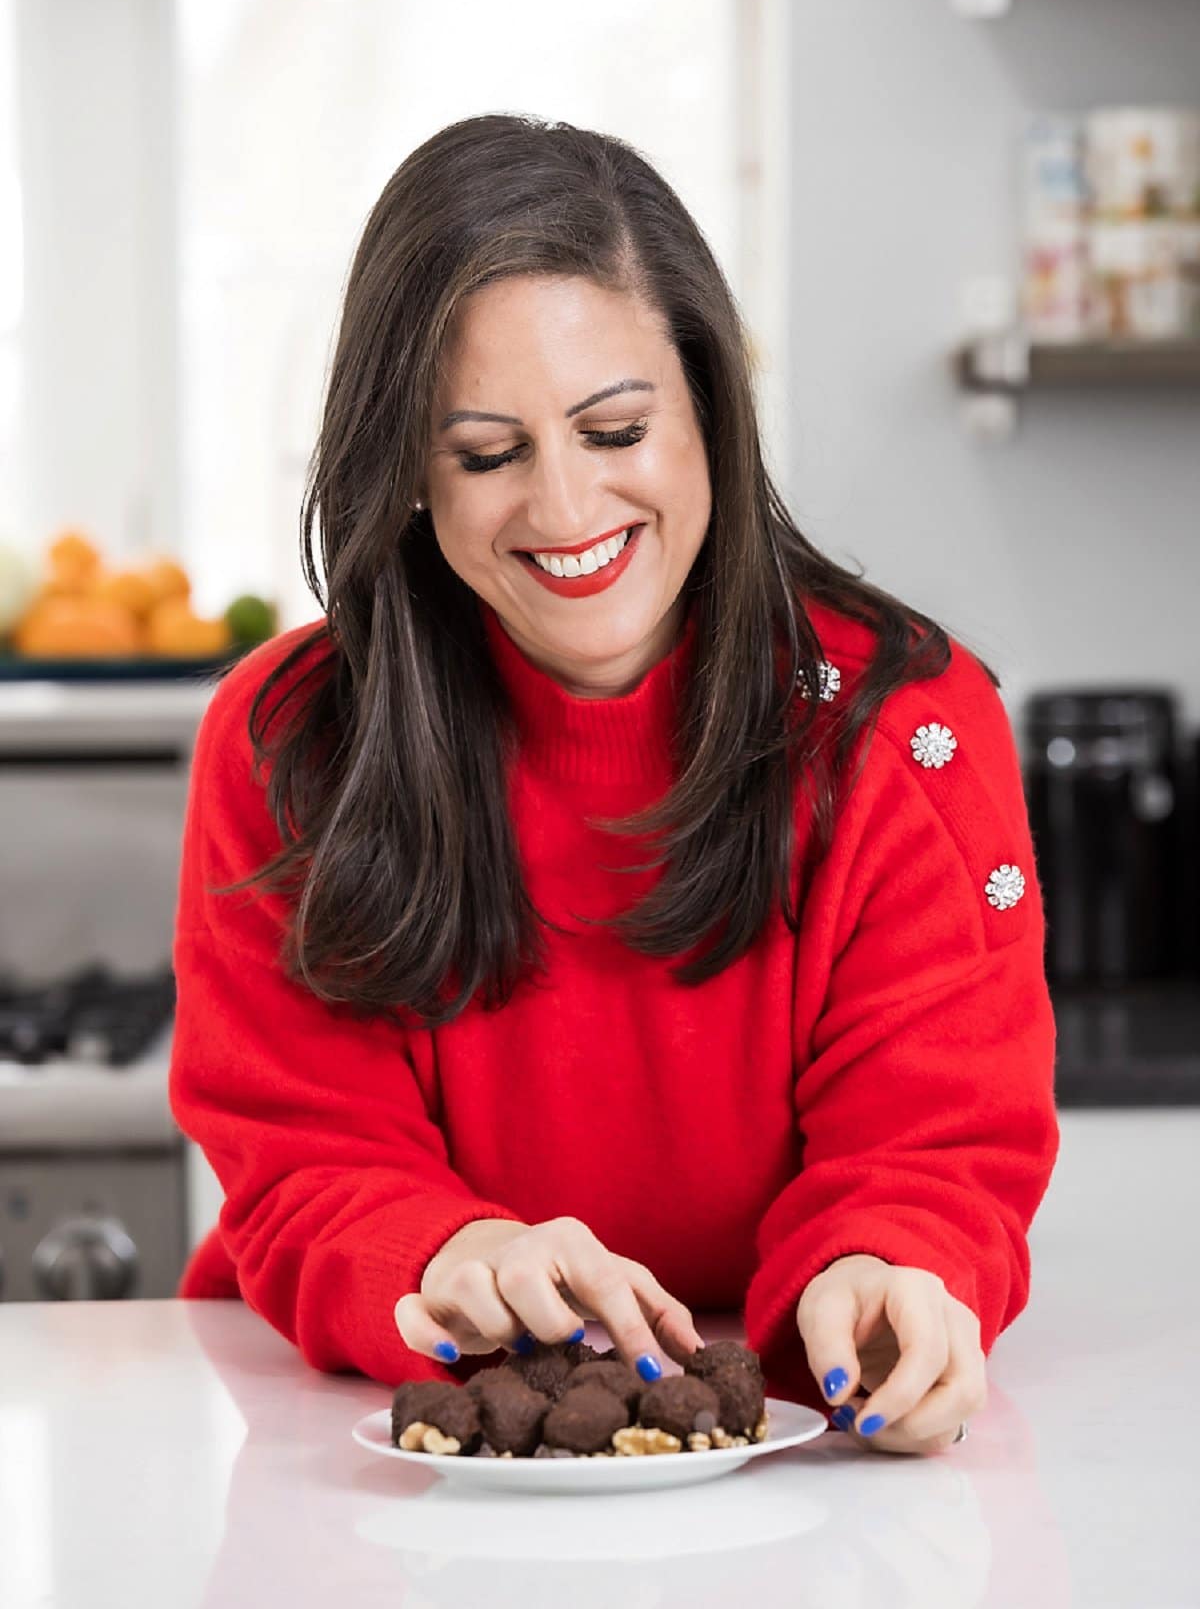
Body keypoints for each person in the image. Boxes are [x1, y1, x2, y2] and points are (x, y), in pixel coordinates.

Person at [169, 113, 1059, 1459]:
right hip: (360, 1455)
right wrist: (448, 1252)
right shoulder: (287, 741)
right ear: (408, 468)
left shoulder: (910, 730)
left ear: (709, 400)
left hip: (796, 1463)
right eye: (486, 453)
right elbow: (303, 1161)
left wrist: (889, 1268)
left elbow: (934, 1145)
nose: (567, 506)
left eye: (616, 427)